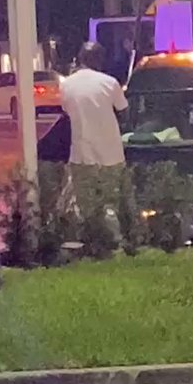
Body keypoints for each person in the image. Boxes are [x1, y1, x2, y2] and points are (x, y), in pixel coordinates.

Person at [59, 42, 138, 252]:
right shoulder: (110, 83)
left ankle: (90, 243)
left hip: (81, 155)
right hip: (111, 154)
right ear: (100, 60)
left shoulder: (66, 85)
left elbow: (66, 113)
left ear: (79, 58)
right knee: (111, 202)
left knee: (86, 205)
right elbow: (124, 112)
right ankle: (117, 242)